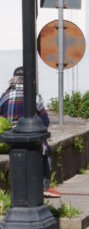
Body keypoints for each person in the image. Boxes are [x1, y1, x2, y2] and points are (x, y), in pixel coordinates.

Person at [0, 66, 56, 194]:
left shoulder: (5, 95)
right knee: (45, 149)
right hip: (29, 137)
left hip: (9, 139)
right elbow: (45, 121)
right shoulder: (34, 97)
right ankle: (45, 186)